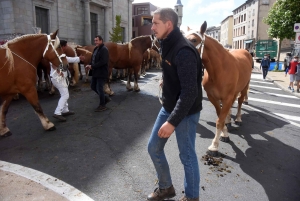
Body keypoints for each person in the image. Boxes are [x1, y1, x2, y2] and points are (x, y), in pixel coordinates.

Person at [147, 8, 203, 201]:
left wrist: (171, 122)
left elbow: (189, 93)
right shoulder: (166, 42)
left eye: (156, 23)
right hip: (169, 106)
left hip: (186, 111)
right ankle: (166, 188)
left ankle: (192, 197)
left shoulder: (184, 50)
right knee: (153, 147)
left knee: (187, 156)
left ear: (168, 25)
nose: (152, 27)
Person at [51, 40, 85, 121]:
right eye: (66, 46)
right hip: (58, 78)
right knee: (65, 95)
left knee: (64, 93)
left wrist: (78, 59)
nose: (67, 47)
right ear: (63, 46)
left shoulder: (60, 53)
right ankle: (57, 112)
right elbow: (53, 64)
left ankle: (65, 110)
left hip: (60, 78)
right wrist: (59, 72)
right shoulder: (55, 54)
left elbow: (68, 59)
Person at [85, 35, 110, 112]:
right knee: (93, 86)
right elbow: (93, 59)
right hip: (95, 72)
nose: (95, 42)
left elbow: (103, 61)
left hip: (101, 72)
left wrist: (92, 66)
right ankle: (105, 98)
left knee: (99, 88)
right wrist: (89, 65)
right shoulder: (96, 49)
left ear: (101, 41)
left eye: (97, 40)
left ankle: (102, 105)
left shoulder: (104, 49)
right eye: (95, 40)